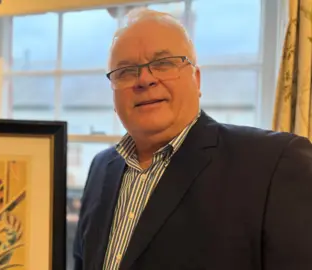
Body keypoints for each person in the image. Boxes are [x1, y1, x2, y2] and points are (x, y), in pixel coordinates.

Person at [72, 7, 312, 270]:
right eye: (126, 71)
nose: (144, 79)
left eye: (163, 64)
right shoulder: (100, 167)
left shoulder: (274, 164)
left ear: (196, 80)